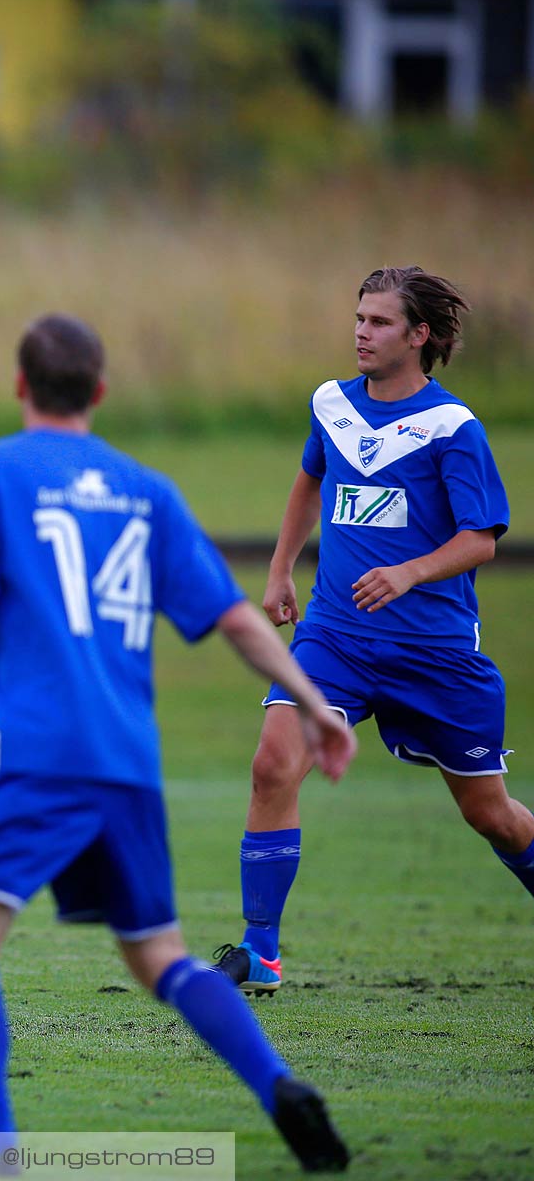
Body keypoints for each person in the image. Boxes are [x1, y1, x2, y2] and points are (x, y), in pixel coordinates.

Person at [0, 314, 355, 1171]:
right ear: (101, 392)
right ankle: (277, 1086)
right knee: (160, 955)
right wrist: (311, 701)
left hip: (34, 752)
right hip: (126, 763)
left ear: (19, 386)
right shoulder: (146, 489)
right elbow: (234, 615)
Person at [215, 268, 527, 996]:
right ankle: (261, 953)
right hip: (336, 636)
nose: (362, 331)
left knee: (493, 817)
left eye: (380, 322)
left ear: (420, 336)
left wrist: (411, 573)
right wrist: (282, 570)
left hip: (435, 651)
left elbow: (482, 538)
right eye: (358, 317)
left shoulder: (453, 427)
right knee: (272, 764)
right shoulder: (332, 405)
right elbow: (309, 480)